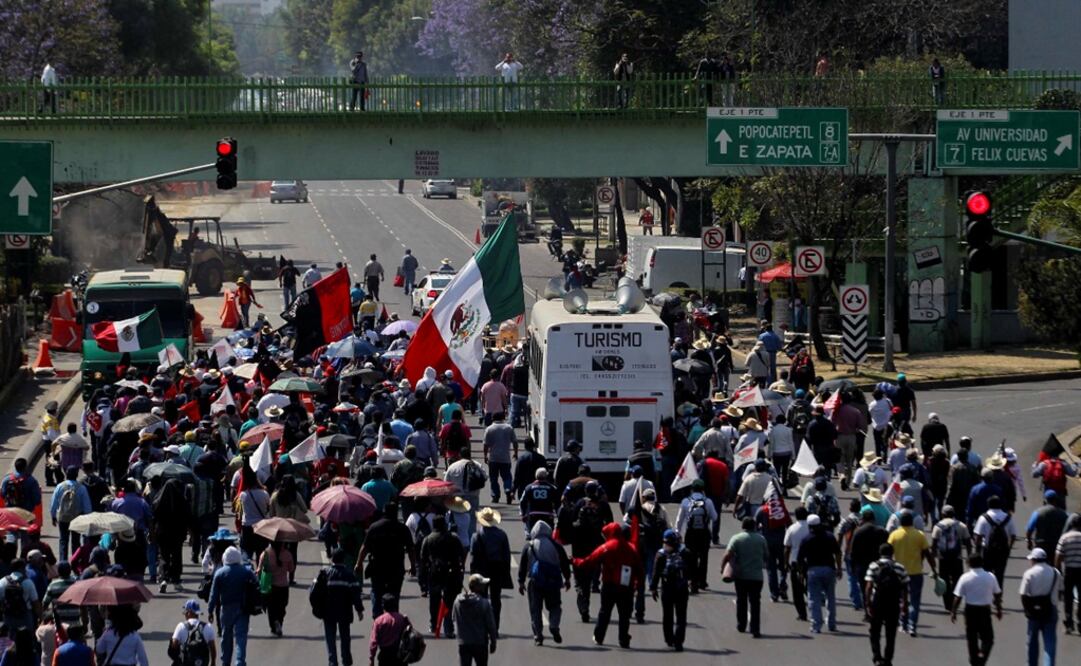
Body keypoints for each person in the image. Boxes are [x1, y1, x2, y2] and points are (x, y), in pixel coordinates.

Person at [573, 522, 643, 649]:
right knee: (624, 615)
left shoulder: (606, 547)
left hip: (609, 585)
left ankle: (599, 637)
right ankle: (623, 640)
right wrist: (638, 585)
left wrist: (574, 561)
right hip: (626, 587)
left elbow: (589, 561)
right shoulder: (631, 548)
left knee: (604, 612)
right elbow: (639, 569)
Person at [518, 520, 570, 646]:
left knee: (535, 609)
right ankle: (554, 625)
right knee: (555, 606)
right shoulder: (556, 546)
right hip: (553, 581)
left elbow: (523, 566)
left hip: (535, 582)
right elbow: (564, 562)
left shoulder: (529, 546)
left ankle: (538, 635)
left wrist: (521, 582)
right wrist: (567, 579)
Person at [310, 547, 365, 666]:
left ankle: (333, 662)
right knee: (345, 638)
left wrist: (317, 607)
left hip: (328, 613)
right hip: (345, 613)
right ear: (343, 559)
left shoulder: (324, 573)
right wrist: (359, 610)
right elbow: (356, 594)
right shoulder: (349, 575)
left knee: (330, 639)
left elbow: (313, 592)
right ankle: (346, 661)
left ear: (332, 559)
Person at [887, 509, 936, 636]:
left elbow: (887, 552)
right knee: (914, 600)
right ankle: (912, 626)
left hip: (898, 573)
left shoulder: (894, 535)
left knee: (900, 599)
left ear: (901, 522)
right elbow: (927, 553)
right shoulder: (919, 535)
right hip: (915, 572)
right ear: (912, 523)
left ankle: (902, 624)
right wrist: (934, 569)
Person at [208, 545, 257, 666]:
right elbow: (256, 584)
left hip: (226, 609)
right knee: (241, 637)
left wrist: (210, 610)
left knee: (226, 636)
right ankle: (240, 661)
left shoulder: (220, 573)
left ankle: (225, 661)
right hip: (243, 608)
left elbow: (213, 595)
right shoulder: (246, 571)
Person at [952, 555, 1003, 666]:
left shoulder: (965, 577)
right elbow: (997, 594)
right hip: (985, 610)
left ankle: (974, 660)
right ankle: (982, 655)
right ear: (982, 563)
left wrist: (953, 612)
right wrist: (999, 609)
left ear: (969, 563)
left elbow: (958, 597)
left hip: (970, 611)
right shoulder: (990, 577)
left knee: (972, 638)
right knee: (988, 638)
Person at [864, 543, 909, 666]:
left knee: (875, 631)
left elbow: (868, 586)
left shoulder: (874, 566)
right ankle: (888, 659)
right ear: (892, 553)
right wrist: (904, 604)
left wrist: (868, 603)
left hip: (878, 601)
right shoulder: (900, 567)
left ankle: (877, 657)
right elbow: (905, 587)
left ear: (880, 553)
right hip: (893, 602)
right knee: (891, 633)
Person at [419, 515, 464, 636]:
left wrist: (422, 580)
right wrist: (460, 569)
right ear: (444, 524)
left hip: (434, 572)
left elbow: (423, 560)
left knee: (434, 600)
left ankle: (434, 624)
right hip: (451, 572)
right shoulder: (453, 538)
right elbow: (461, 553)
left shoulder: (428, 539)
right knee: (449, 601)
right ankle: (448, 628)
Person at [723, 517, 769, 638]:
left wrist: (723, 568)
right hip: (757, 577)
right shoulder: (761, 539)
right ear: (754, 526)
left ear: (743, 526)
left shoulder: (736, 538)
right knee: (755, 603)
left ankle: (741, 625)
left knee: (741, 600)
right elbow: (766, 556)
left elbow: (728, 555)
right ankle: (755, 629)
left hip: (741, 576)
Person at [468, 508, 512, 630]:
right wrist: (505, 573)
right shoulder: (502, 535)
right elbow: (506, 556)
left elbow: (473, 557)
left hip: (481, 570)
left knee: (480, 598)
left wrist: (472, 574)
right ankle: (494, 627)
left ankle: (482, 626)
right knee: (496, 599)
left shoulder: (476, 536)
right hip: (497, 569)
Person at [797, 514, 842, 634]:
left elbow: (800, 559)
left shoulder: (806, 539)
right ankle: (832, 624)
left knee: (814, 599)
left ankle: (816, 625)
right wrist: (839, 568)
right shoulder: (829, 536)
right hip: (829, 569)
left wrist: (801, 573)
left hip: (813, 571)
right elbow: (838, 553)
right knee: (830, 597)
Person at [651, 529, 693, 651]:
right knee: (681, 616)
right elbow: (692, 569)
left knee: (667, 615)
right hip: (681, 588)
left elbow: (656, 573)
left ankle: (669, 639)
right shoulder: (685, 552)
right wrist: (691, 581)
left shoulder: (660, 554)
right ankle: (678, 642)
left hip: (667, 588)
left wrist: (653, 588)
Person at [675, 479, 716, 592]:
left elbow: (679, 520)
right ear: (703, 490)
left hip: (691, 533)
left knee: (691, 558)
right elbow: (715, 517)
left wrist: (678, 533)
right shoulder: (708, 501)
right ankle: (702, 582)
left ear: (692, 489)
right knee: (703, 558)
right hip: (704, 533)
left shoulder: (685, 501)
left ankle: (692, 582)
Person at [1020, 547, 1060, 666]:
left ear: (1034, 560)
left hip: (1034, 611)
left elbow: (1023, 594)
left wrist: (1027, 610)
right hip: (1051, 609)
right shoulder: (1055, 572)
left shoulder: (1029, 573)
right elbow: (1061, 589)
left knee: (1032, 642)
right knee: (1050, 642)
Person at [931, 505, 972, 612]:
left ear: (943, 514)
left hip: (943, 559)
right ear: (953, 514)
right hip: (957, 558)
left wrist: (933, 558)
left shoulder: (937, 526)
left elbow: (934, 544)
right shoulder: (961, 525)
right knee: (957, 580)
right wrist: (969, 556)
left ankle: (948, 604)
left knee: (945, 581)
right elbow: (968, 542)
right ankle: (955, 602)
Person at [452, 574, 498, 666]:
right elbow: (491, 625)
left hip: (464, 642)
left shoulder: (458, 601)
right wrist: (493, 641)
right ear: (477, 587)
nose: (484, 586)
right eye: (482, 584)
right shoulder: (484, 603)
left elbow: (454, 618)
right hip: (480, 643)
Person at [972, 495, 1015, 587]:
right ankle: (998, 593)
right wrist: (1008, 548)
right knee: (1000, 574)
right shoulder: (1008, 517)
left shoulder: (983, 517)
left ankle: (987, 591)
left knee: (986, 574)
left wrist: (977, 552)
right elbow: (1013, 535)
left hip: (988, 551)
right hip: (1003, 551)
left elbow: (978, 537)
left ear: (988, 505)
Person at [50, 466, 91, 561]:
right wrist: (87, 518)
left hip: (63, 517)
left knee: (63, 540)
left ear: (66, 474)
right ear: (76, 475)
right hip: (77, 518)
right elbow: (87, 506)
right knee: (76, 541)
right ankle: (74, 562)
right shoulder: (81, 488)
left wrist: (53, 516)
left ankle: (63, 562)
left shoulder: (60, 486)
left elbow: (54, 503)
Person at [258, 540, 295, 636]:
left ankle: (274, 626)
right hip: (283, 586)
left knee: (271, 607)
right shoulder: (287, 554)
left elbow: (259, 570)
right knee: (282, 607)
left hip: (269, 586)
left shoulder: (265, 554)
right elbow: (291, 569)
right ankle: (279, 622)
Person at [170, 599, 218, 666]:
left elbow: (174, 646)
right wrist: (213, 662)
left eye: (186, 611)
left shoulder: (180, 626)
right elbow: (212, 648)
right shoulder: (208, 627)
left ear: (189, 612)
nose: (185, 614)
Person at [482, 413, 516, 504]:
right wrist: (515, 453)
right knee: (507, 476)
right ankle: (508, 489)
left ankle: (495, 495)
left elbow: (486, 444)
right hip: (505, 458)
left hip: (493, 458)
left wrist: (485, 456)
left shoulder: (489, 429)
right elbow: (515, 441)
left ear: (493, 418)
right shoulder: (509, 428)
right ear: (503, 418)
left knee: (493, 478)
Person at [368, 593, 411, 666]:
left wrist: (371, 658)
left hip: (385, 656)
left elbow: (373, 642)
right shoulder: (402, 618)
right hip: (400, 655)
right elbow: (410, 633)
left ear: (382, 606)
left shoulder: (379, 621)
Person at [0, 560, 39, 635]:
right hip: (25, 616)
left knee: (10, 638)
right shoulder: (28, 582)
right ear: (22, 568)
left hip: (8, 616)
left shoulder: (2, 582)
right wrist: (40, 617)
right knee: (27, 638)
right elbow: (35, 603)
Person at [1057, 513, 1081, 634]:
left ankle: (1069, 623)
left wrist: (1058, 570)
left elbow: (1058, 556)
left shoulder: (1065, 537)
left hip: (1069, 570)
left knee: (1068, 597)